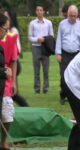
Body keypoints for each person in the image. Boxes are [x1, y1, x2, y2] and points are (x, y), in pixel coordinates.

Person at [56, 5, 80, 105]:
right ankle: (63, 94)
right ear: (67, 14)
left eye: (74, 16)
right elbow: (59, 39)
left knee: (74, 77)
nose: (72, 18)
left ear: (77, 15)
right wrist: (58, 53)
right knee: (63, 77)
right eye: (71, 15)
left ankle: (72, 96)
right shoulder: (62, 24)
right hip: (64, 53)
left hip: (76, 54)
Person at [0, 13, 18, 150]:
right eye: (4, 29)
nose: (6, 32)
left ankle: (3, 142)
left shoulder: (10, 38)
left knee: (7, 114)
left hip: (3, 85)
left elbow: (13, 60)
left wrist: (12, 80)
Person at [4, 9, 28, 106]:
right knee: (11, 91)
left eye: (6, 16)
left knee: (12, 91)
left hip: (12, 63)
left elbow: (16, 48)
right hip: (9, 63)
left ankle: (26, 107)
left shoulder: (12, 31)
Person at [28, 4, 54, 94]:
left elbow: (51, 36)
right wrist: (37, 39)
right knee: (36, 70)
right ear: (36, 12)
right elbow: (30, 37)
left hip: (45, 48)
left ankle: (46, 88)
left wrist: (45, 40)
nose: (39, 12)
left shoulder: (48, 23)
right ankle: (37, 89)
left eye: (41, 10)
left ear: (43, 12)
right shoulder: (32, 23)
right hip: (36, 47)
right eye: (38, 10)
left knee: (46, 70)